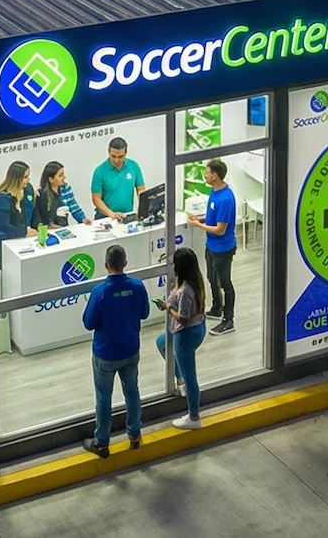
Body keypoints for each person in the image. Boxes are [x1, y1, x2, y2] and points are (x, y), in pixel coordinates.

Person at [80, 244, 150, 457]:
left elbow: (88, 323)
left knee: (103, 397)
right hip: (130, 350)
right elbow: (145, 313)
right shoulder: (138, 287)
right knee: (132, 391)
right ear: (125, 264)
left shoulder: (99, 292)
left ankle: (102, 442)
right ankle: (135, 434)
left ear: (106, 265)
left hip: (105, 354)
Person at [155, 246, 207, 429]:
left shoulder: (185, 290)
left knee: (191, 376)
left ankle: (194, 417)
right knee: (161, 342)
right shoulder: (194, 282)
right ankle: (180, 379)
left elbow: (183, 319)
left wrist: (167, 307)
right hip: (197, 327)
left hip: (186, 334)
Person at [189, 159, 237, 337]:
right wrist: (200, 220)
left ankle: (228, 320)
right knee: (211, 277)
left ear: (214, 175)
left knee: (226, 284)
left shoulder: (225, 199)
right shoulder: (214, 191)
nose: (205, 175)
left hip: (223, 249)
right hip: (211, 246)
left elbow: (220, 229)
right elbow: (213, 219)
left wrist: (198, 226)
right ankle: (217, 308)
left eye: (207, 172)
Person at [91, 137, 145, 222]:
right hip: (105, 217)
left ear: (126, 153)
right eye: (113, 156)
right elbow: (96, 199)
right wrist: (111, 214)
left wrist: (144, 208)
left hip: (127, 216)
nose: (116, 160)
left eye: (120, 157)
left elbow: (141, 190)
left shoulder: (133, 166)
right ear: (108, 152)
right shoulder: (100, 171)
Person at [32, 161, 90, 231]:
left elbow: (73, 207)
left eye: (63, 174)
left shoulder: (66, 188)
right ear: (51, 179)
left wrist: (83, 218)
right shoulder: (41, 194)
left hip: (64, 228)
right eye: (60, 175)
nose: (64, 177)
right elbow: (40, 219)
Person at [0, 161, 31, 242]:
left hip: (18, 241)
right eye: (25, 177)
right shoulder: (2, 200)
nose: (28, 180)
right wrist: (24, 232)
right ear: (16, 179)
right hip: (5, 245)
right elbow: (3, 227)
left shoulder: (22, 193)